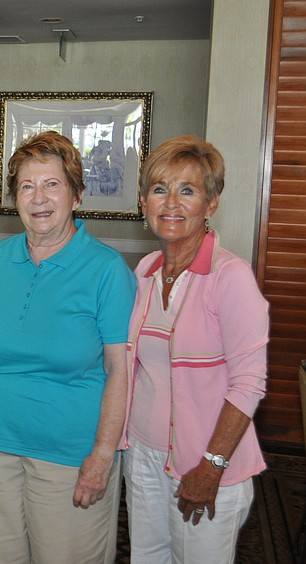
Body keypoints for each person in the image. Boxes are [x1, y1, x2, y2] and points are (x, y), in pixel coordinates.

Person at [0, 130, 135, 564]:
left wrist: (102, 454)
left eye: (52, 184)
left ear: (76, 195)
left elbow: (120, 371)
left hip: (69, 457)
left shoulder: (106, 270)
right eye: (26, 186)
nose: (38, 197)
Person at [122, 135, 268, 563]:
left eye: (188, 191)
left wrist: (212, 466)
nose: (171, 203)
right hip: (144, 457)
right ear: (144, 201)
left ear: (211, 203)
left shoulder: (231, 277)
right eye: (160, 189)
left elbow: (249, 384)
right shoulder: (145, 272)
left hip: (205, 464)